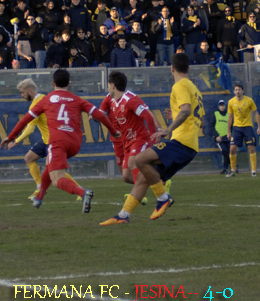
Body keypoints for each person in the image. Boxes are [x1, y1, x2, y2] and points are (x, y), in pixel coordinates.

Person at [1, 69, 119, 213]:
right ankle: (39, 197)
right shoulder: (77, 99)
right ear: (69, 83)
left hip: (57, 142)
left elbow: (25, 120)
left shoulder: (46, 100)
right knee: (49, 166)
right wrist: (113, 131)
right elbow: (99, 115)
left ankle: (83, 193)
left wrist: (11, 137)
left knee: (57, 180)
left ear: (53, 83)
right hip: (75, 143)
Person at [108, 53, 203, 223]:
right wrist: (175, 116)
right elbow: (195, 115)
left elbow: (186, 110)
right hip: (190, 144)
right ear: (188, 68)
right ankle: (123, 216)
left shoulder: (179, 85)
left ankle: (163, 197)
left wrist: (168, 129)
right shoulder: (194, 88)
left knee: (140, 159)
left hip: (182, 142)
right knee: (143, 178)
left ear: (171, 68)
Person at [2, 79, 83, 201]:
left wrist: (16, 141)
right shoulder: (44, 98)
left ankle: (79, 190)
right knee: (29, 158)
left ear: (29, 91)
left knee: (53, 170)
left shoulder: (37, 103)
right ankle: (40, 187)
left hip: (53, 141)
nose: (22, 95)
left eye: (23, 92)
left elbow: (30, 129)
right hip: (46, 140)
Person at [98, 71, 160, 225]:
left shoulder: (130, 100)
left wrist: (154, 136)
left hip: (140, 138)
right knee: (126, 176)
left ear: (113, 86)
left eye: (108, 85)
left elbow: (147, 116)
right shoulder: (113, 101)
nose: (108, 88)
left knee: (133, 163)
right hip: (127, 142)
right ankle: (159, 181)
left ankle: (159, 194)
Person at [226, 83, 260, 178]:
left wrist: (259, 127)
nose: (237, 91)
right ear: (234, 92)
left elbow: (256, 113)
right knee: (232, 149)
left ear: (243, 91)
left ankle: (253, 171)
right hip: (236, 128)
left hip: (248, 127)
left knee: (251, 148)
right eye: (236, 90)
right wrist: (228, 131)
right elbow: (230, 117)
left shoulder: (249, 100)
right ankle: (233, 170)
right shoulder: (231, 102)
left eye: (239, 89)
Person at [205, 99, 231, 174]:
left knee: (229, 152)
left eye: (223, 105)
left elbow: (232, 126)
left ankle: (226, 169)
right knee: (224, 151)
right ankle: (233, 164)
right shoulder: (215, 114)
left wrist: (231, 135)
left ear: (225, 106)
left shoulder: (229, 115)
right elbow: (211, 127)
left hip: (228, 137)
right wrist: (216, 136)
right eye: (220, 105)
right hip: (220, 138)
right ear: (218, 106)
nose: (222, 107)